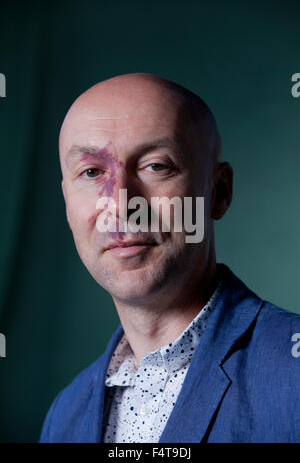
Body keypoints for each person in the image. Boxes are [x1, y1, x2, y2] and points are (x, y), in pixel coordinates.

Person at [39, 73, 300, 443]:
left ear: (218, 191)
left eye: (156, 166)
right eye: (92, 172)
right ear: (67, 205)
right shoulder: (63, 417)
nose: (121, 204)